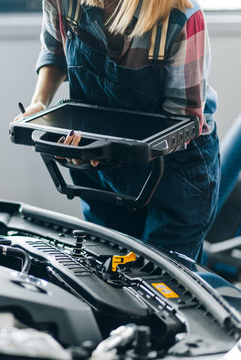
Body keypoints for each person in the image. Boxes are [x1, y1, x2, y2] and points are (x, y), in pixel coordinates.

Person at [15, 0, 220, 261]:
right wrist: (39, 104)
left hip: (175, 173)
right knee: (105, 270)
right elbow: (55, 51)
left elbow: (181, 121)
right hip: (102, 167)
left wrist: (101, 151)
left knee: (161, 279)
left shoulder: (180, 16)